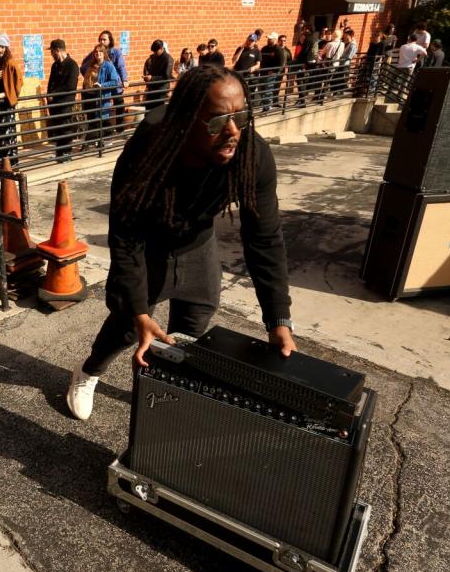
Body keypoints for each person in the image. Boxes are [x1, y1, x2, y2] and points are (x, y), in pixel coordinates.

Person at [65, 66, 296, 421]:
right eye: (218, 122)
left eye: (242, 116)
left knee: (189, 333)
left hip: (198, 245)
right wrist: (141, 312)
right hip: (149, 245)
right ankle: (89, 371)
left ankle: (164, 392)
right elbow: (125, 236)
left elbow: (264, 238)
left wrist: (278, 318)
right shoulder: (150, 145)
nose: (233, 131)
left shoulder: (253, 154)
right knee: (128, 326)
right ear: (189, 121)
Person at [0, 33, 24, 166]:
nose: (0, 50)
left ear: (7, 48)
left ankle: (11, 164)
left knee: (8, 135)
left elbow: (14, 88)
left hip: (6, 106)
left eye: (3, 47)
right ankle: (2, 163)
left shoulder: (10, 63)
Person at [82, 31, 129, 133]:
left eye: (104, 39)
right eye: (100, 39)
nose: (102, 41)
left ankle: (119, 129)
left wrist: (124, 79)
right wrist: (90, 78)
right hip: (100, 85)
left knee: (119, 104)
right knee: (101, 110)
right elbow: (84, 66)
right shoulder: (96, 52)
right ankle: (104, 134)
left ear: (110, 40)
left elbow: (121, 67)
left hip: (113, 82)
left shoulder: (116, 52)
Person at [80, 44, 120, 150]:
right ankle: (99, 142)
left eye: (100, 52)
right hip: (90, 97)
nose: (98, 54)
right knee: (93, 121)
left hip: (101, 98)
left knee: (98, 121)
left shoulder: (109, 66)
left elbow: (115, 82)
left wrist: (102, 86)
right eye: (96, 52)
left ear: (104, 53)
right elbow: (83, 71)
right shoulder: (91, 64)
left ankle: (87, 144)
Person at [46, 38, 80, 162]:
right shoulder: (55, 65)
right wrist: (49, 95)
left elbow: (70, 86)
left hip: (65, 102)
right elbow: (50, 83)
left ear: (58, 50)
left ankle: (67, 152)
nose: (51, 54)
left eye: (52, 52)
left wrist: (54, 94)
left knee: (65, 128)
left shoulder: (72, 65)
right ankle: (59, 153)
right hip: (54, 103)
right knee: (58, 129)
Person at [143, 39, 174, 110]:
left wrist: (152, 78)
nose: (154, 53)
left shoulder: (168, 59)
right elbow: (152, 71)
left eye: (156, 51)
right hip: (152, 87)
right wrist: (148, 77)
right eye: (154, 51)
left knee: (157, 110)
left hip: (161, 89)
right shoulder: (154, 57)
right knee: (148, 108)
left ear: (162, 48)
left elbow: (166, 76)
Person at [259, 33, 286, 111]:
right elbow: (261, 60)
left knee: (268, 90)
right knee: (261, 89)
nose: (268, 40)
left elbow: (281, 63)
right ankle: (265, 103)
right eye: (268, 38)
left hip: (272, 74)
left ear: (275, 40)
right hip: (263, 72)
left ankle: (267, 107)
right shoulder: (264, 48)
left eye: (270, 39)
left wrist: (273, 71)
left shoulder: (278, 50)